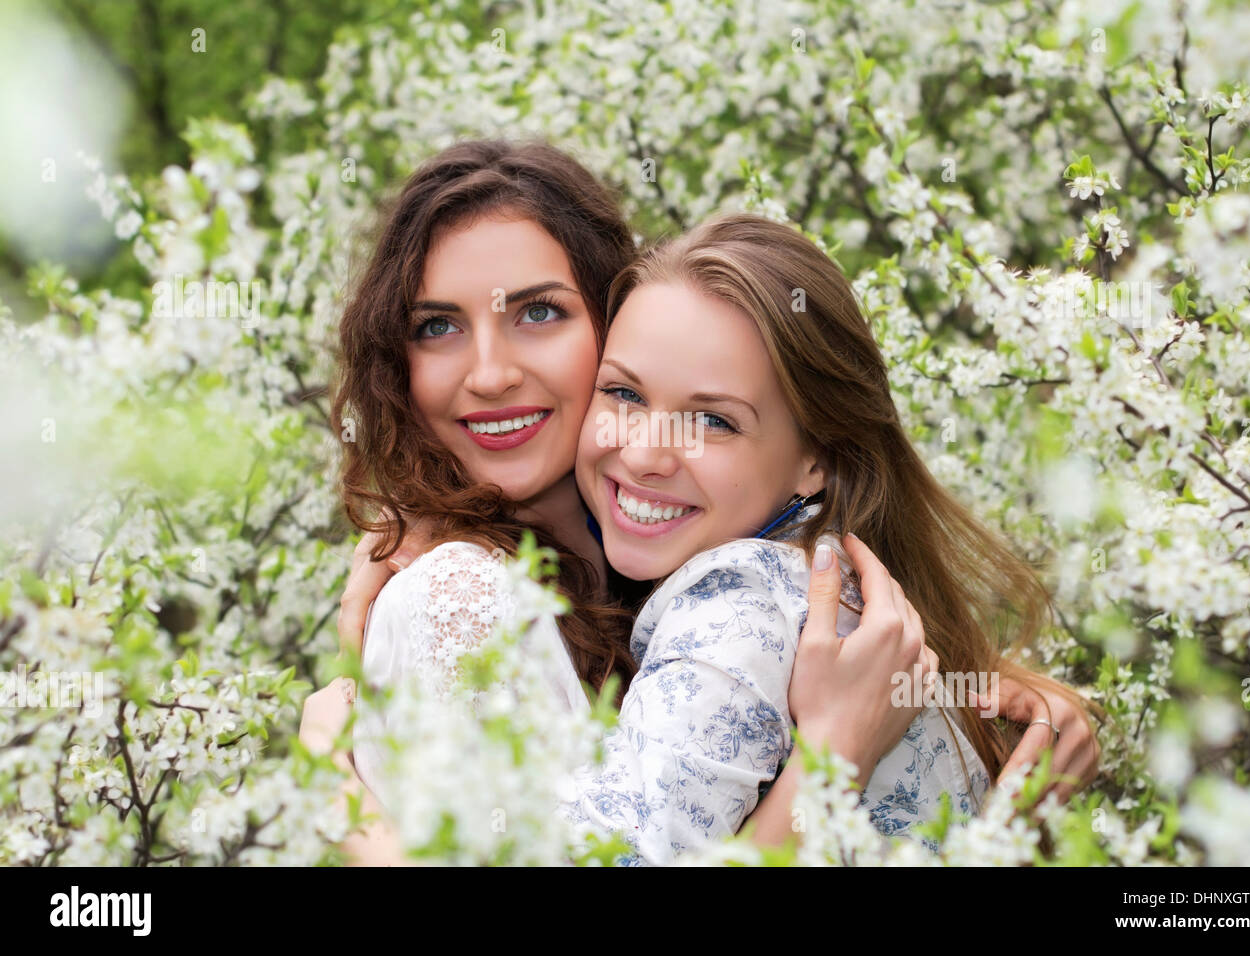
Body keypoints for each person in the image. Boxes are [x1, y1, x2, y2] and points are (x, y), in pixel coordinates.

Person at [299, 141, 1100, 864]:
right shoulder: (459, 595)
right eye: (436, 326)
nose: (489, 373)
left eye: (538, 312)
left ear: (609, 322)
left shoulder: (716, 590)